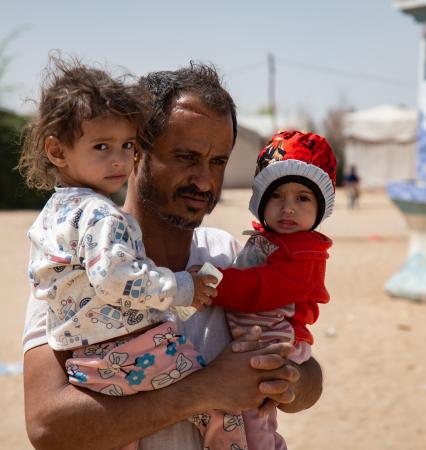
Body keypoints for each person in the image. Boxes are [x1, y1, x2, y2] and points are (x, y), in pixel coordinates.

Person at [23, 62, 324, 450]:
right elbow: (48, 428)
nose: (204, 180)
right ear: (136, 152)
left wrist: (289, 380)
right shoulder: (78, 261)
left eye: (218, 162)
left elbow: (310, 377)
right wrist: (205, 390)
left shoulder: (236, 259)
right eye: (186, 157)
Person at [210, 130, 335, 450]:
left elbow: (261, 289)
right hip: (259, 336)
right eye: (277, 196)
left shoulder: (305, 253)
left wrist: (213, 284)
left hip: (275, 341)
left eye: (303, 198)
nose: (288, 208)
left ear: (320, 210)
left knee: (254, 421)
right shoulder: (272, 241)